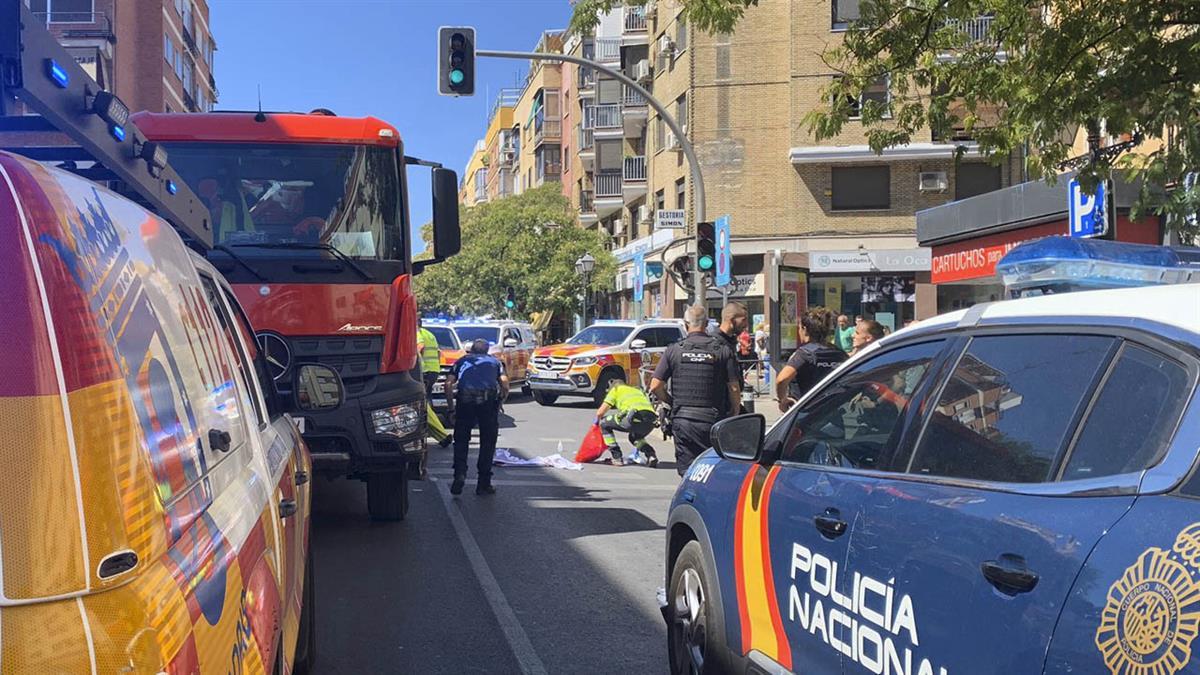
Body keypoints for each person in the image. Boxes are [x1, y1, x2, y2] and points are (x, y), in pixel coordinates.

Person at [650, 305, 741, 476]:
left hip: (683, 420)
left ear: (685, 325)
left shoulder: (674, 350)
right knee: (711, 470)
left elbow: (655, 386)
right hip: (712, 420)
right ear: (706, 324)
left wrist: (671, 401)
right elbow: (734, 387)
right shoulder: (721, 350)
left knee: (688, 472)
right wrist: (735, 411)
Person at [445, 339, 509, 496]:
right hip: (487, 403)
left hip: (465, 401)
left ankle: (459, 474)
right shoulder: (495, 362)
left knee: (461, 440)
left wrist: (451, 409)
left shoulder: (462, 361)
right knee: (487, 442)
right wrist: (501, 400)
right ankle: (483, 483)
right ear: (487, 351)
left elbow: (448, 384)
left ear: (471, 350)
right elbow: (505, 383)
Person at [774, 307, 848, 412]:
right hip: (833, 411)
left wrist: (782, 400)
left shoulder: (804, 353)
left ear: (804, 329)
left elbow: (781, 379)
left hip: (806, 412)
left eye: (799, 328)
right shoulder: (839, 353)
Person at [594, 374, 659, 467]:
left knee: (604, 423)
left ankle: (617, 457)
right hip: (651, 420)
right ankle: (651, 455)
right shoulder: (636, 390)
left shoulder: (615, 390)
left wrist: (595, 423)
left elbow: (600, 413)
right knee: (635, 437)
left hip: (634, 417)